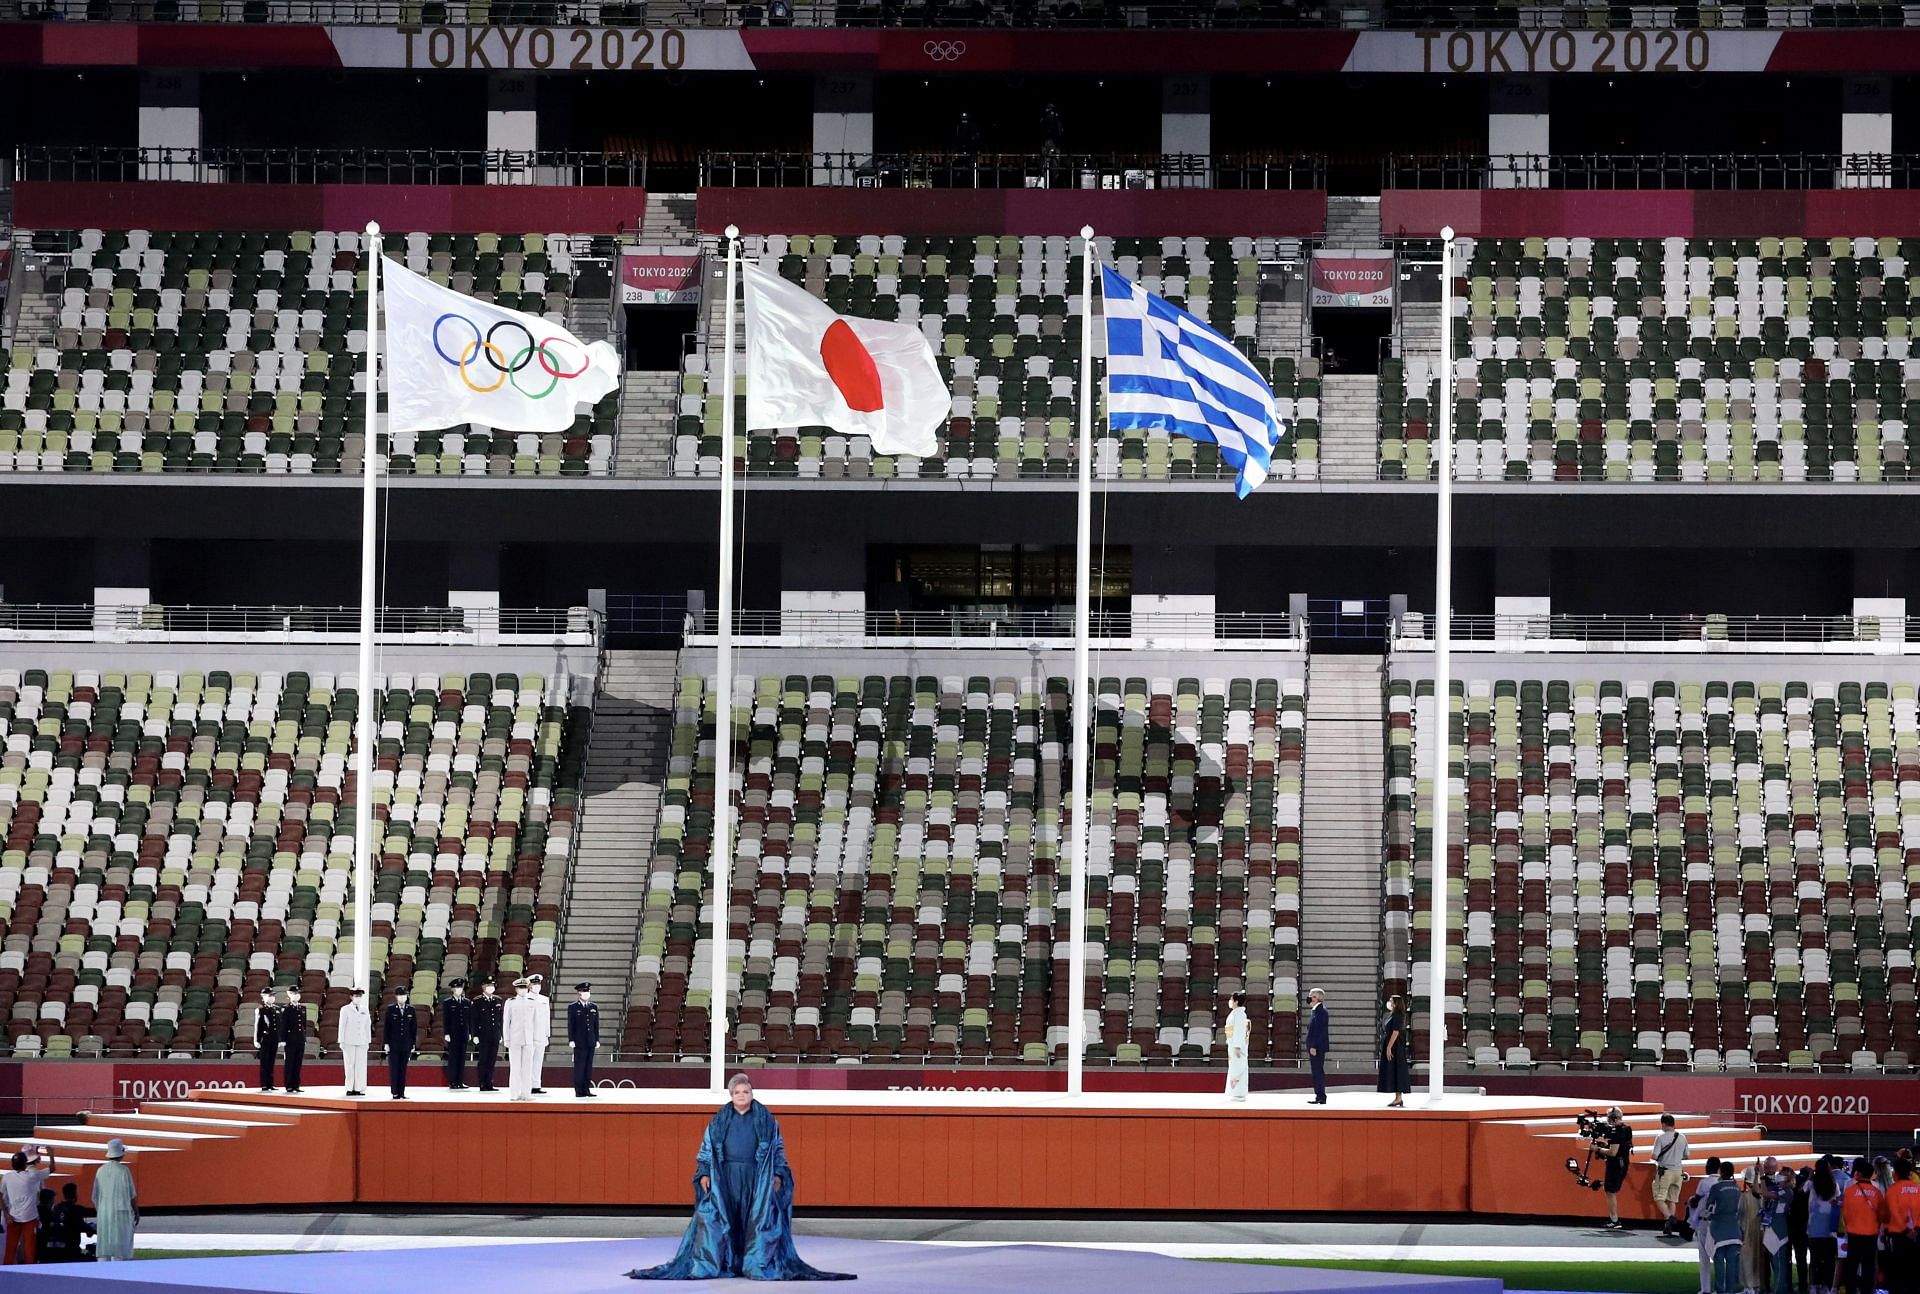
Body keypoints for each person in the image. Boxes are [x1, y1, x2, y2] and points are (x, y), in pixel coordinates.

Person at [629, 1074, 854, 1282]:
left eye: (745, 1092)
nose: (742, 1096)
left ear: (752, 1094)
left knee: (755, 1221)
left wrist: (777, 1173)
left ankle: (753, 1264)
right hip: (726, 1179)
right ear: (731, 1095)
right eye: (737, 1092)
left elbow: (777, 1149)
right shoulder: (718, 1121)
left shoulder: (767, 1121)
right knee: (721, 1219)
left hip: (756, 1178)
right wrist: (705, 1172)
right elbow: (706, 1148)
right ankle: (726, 1262)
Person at [1840, 1157, 1886, 1294]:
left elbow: (1845, 1214)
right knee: (1868, 1267)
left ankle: (1851, 1291)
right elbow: (1882, 1215)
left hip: (1853, 1234)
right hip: (1871, 1235)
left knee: (1852, 1266)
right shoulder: (1877, 1192)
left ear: (1859, 1173)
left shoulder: (1849, 1191)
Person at [1, 1145, 54, 1265]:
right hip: (29, 1218)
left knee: (10, 1250)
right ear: (25, 1164)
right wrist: (51, 1154)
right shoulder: (33, 1175)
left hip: (13, 1218)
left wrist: (6, 1214)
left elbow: (0, 1196)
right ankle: (29, 1274)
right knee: (29, 1251)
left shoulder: (7, 1177)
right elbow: (52, 1168)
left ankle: (5, 1277)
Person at [91, 1138, 136, 1262]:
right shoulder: (124, 1171)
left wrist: (101, 1209)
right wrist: (136, 1211)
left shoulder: (100, 1171)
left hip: (104, 1213)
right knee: (120, 1244)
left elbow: (95, 1196)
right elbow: (132, 1195)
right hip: (121, 1213)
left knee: (105, 1242)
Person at [1706, 1160, 1746, 1294]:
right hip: (1734, 1229)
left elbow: (1709, 1207)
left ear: (1721, 1171)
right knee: (1732, 1263)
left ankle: (1720, 1290)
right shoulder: (1737, 1188)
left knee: (1718, 1261)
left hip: (1719, 1228)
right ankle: (1730, 1290)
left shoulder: (1716, 1188)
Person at [1594, 1106, 1634, 1230]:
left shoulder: (1617, 1132)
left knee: (1610, 1191)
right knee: (1610, 1189)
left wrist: (1598, 1149)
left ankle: (1614, 1219)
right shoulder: (1626, 1128)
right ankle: (1614, 1219)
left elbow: (1613, 1152)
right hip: (1623, 1162)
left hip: (1616, 1164)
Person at [1690, 1156, 1724, 1294]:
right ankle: (1720, 1287)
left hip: (1705, 1222)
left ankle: (1706, 1289)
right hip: (1720, 1223)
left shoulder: (1705, 1182)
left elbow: (1695, 1200)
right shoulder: (1725, 1183)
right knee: (1718, 1256)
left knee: (1704, 1257)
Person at [1652, 1112, 1691, 1237]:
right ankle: (1668, 1226)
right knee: (1672, 1200)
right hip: (1678, 1171)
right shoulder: (1682, 1137)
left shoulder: (1660, 1137)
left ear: (1663, 1124)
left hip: (1665, 1171)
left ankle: (1669, 1218)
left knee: (1659, 1197)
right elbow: (1687, 1155)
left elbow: (1654, 1156)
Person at [504, 976, 543, 1101]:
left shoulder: (532, 1001)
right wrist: (507, 1039)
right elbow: (506, 1022)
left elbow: (536, 1022)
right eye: (520, 988)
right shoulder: (510, 1002)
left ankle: (526, 1093)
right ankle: (514, 1093)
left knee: (528, 1068)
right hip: (515, 1038)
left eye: (524, 988)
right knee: (515, 1067)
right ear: (516, 989)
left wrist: (536, 1039)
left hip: (529, 1039)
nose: (523, 990)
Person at [1805, 1158, 1840, 1294]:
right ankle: (1826, 1285)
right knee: (1829, 1260)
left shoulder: (1811, 1184)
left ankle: (1814, 1285)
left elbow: (1802, 1192)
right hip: (1829, 1228)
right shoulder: (1834, 1185)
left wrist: (1809, 1176)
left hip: (1813, 1227)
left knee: (1815, 1260)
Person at [1888, 1156, 1920, 1294]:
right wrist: (1915, 1229)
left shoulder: (1892, 1190)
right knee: (1914, 1267)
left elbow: (1893, 1213)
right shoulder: (1918, 1188)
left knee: (1898, 1269)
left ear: (1896, 1172)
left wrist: (1906, 1230)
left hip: (1898, 1235)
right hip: (1917, 1234)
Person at [384, 986, 418, 1099]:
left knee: (403, 1069)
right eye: (400, 995)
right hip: (394, 1044)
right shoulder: (391, 1009)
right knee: (394, 1068)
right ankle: (395, 1092)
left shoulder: (411, 1009)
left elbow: (414, 1028)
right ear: (396, 997)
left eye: (404, 995)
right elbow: (387, 1028)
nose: (402, 997)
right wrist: (386, 1043)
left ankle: (402, 1092)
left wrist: (413, 1043)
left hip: (406, 1044)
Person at [1376, 993, 1410, 1108]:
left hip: (1396, 1046)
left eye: (1391, 1001)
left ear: (1396, 1003)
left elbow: (1395, 1032)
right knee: (1393, 1070)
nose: (1389, 1003)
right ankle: (1397, 1097)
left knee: (1397, 1069)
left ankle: (1399, 1097)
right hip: (1391, 1043)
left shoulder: (1398, 1016)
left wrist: (1389, 1047)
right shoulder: (1393, 1014)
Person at [439, 978, 473, 1091]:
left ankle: (460, 1081)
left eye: (460, 987)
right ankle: (453, 1081)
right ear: (453, 989)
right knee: (453, 1058)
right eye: (457, 988)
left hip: (463, 1033)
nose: (459, 990)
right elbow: (446, 1019)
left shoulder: (467, 1002)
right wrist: (447, 1033)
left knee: (462, 1058)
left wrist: (469, 1032)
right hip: (453, 1034)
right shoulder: (448, 1002)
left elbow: (469, 1019)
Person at [39, 1182, 86, 1263]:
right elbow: (81, 1226)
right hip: (71, 1250)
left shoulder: (56, 1209)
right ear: (75, 1194)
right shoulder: (77, 1209)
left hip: (53, 1251)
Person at [569, 982, 601, 1098]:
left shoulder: (593, 1007)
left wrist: (597, 1039)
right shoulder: (573, 1007)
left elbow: (596, 1025)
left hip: (590, 1041)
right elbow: (571, 1025)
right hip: (579, 1041)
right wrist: (571, 1039)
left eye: (588, 991)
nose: (586, 993)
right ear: (579, 993)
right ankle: (579, 1090)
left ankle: (586, 1089)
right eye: (584, 991)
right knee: (579, 1066)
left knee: (588, 1067)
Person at [338, 987, 372, 1097]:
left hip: (362, 1040)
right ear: (351, 997)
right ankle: (349, 1087)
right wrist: (341, 1040)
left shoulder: (365, 1009)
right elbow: (342, 1025)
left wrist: (368, 1040)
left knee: (360, 1066)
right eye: (356, 996)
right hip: (349, 1040)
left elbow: (367, 1026)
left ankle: (358, 1088)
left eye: (360, 996)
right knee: (349, 1064)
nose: (358, 998)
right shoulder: (345, 1009)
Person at [473, 980, 504, 1093]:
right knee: (483, 1060)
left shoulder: (498, 1000)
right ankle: (482, 1083)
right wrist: (475, 1034)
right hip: (483, 1035)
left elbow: (500, 1020)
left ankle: (490, 1082)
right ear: (483, 987)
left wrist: (500, 1034)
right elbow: (474, 1020)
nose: (490, 987)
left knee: (492, 1060)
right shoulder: (478, 1001)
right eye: (488, 985)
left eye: (492, 985)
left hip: (494, 1034)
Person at [278, 985, 309, 1093]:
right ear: (289, 994)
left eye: (298, 993)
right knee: (290, 1062)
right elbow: (283, 1025)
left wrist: (304, 1039)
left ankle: (296, 1085)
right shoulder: (286, 1008)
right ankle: (289, 1085)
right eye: (294, 994)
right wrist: (282, 1039)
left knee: (298, 1063)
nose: (296, 995)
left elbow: (303, 1025)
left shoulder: (302, 1008)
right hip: (290, 1039)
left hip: (300, 1039)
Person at [252, 987, 281, 1091]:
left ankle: (270, 1083)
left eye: (273, 995)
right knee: (265, 1062)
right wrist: (256, 1040)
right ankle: (264, 1083)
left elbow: (279, 1026)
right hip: (265, 1039)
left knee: (272, 1062)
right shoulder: (260, 1010)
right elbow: (257, 1026)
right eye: (270, 995)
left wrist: (280, 1039)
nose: (272, 998)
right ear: (264, 997)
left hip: (274, 1039)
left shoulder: (277, 1009)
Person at [1222, 992, 1249, 1102]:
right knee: (1234, 1068)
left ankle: (1239, 1092)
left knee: (1239, 1068)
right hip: (1232, 1044)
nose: (1230, 1001)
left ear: (1236, 1001)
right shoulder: (1235, 1013)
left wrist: (1237, 1046)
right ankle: (1235, 1092)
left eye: (1231, 999)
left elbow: (1239, 1031)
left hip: (1237, 1047)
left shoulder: (1240, 1015)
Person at [528, 974, 552, 1095]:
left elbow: (547, 1018)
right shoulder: (525, 998)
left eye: (538, 984)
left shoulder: (544, 999)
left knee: (538, 1061)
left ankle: (536, 1085)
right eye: (534, 984)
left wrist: (547, 1034)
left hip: (541, 1035)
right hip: (529, 1035)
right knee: (528, 1061)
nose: (537, 986)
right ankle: (527, 1085)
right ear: (529, 985)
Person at [1304, 987, 1329, 1104]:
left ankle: (1321, 1096)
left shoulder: (1321, 1011)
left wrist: (1313, 1046)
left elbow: (1319, 1031)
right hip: (1315, 1046)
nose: (1309, 998)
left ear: (1317, 998)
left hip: (1317, 1047)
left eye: (1311, 996)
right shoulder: (1316, 1010)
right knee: (1316, 1071)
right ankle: (1318, 1095)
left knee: (1318, 1071)